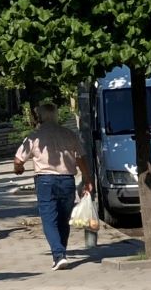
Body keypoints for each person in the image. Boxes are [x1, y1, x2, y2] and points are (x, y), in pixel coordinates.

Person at [13, 102, 93, 270]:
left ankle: (59, 255)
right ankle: (60, 253)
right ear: (56, 115)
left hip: (45, 181)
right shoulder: (69, 134)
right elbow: (80, 158)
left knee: (49, 219)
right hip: (67, 180)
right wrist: (87, 179)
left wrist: (18, 169)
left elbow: (19, 159)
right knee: (64, 219)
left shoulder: (34, 136)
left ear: (40, 117)